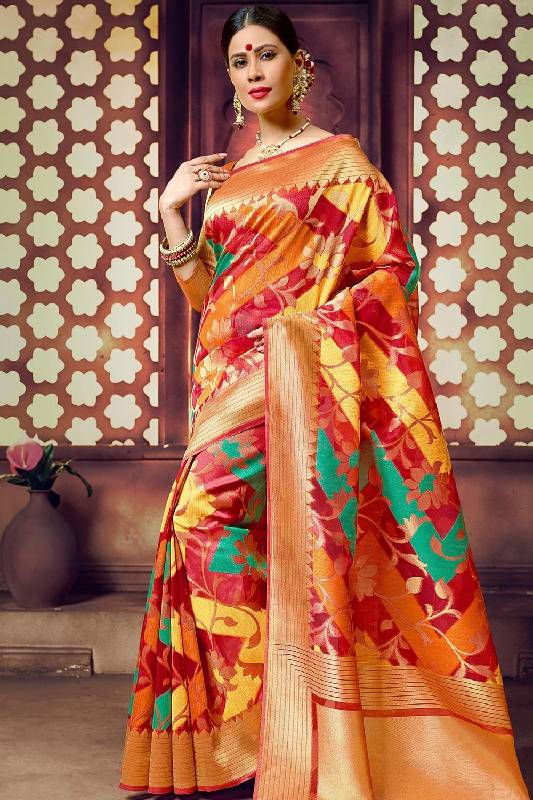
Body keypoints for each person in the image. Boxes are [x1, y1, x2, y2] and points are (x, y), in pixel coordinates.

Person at [118, 5, 529, 799]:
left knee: (220, 521)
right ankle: (257, 733)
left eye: (265, 54)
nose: (252, 72)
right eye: (238, 61)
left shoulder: (340, 161)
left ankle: (292, 726)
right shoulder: (232, 173)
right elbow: (209, 295)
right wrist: (170, 213)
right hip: (226, 381)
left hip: (299, 372)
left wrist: (308, 330)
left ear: (297, 63)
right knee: (213, 531)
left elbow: (390, 272)